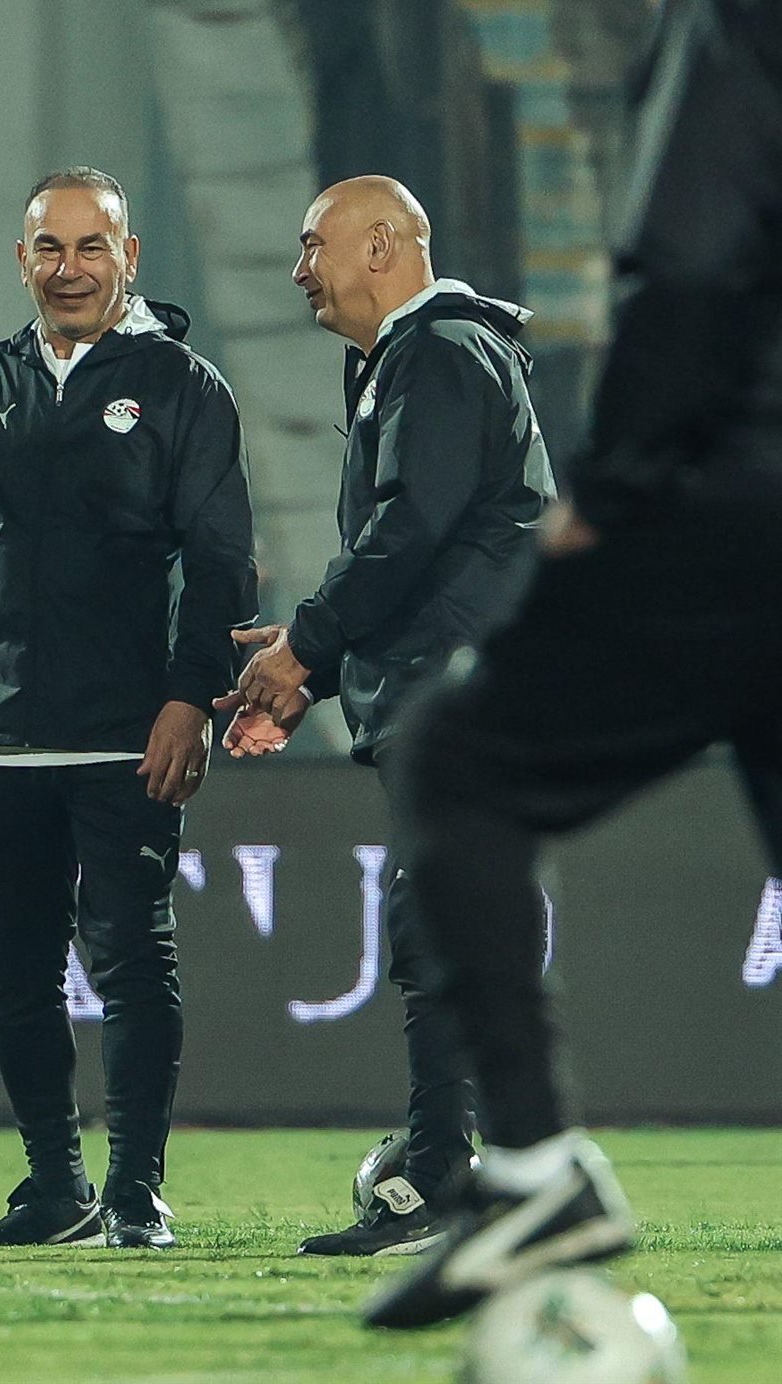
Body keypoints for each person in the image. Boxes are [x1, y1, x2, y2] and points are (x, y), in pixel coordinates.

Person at [365, 0, 782, 1330]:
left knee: (458, 763)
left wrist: (614, 481)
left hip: (733, 506)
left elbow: (697, 255)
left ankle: (538, 1170)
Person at [0, 167, 256, 1250]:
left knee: (133, 963)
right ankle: (55, 1186)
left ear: (130, 257)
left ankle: (134, 1192)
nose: (71, 267)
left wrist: (190, 698)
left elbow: (221, 564)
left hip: (128, 731)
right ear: (22, 260)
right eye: (51, 246)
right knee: (19, 972)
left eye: (93, 246)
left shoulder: (183, 386)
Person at [217, 175, 556, 1256]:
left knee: (442, 922)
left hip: (459, 693)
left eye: (311, 245)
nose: (298, 270)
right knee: (449, 922)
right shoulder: (425, 356)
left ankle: (447, 1174)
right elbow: (429, 554)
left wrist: (305, 648)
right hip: (458, 681)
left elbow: (410, 530)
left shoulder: (438, 353)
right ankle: (465, 1162)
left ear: (380, 248)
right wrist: (309, 670)